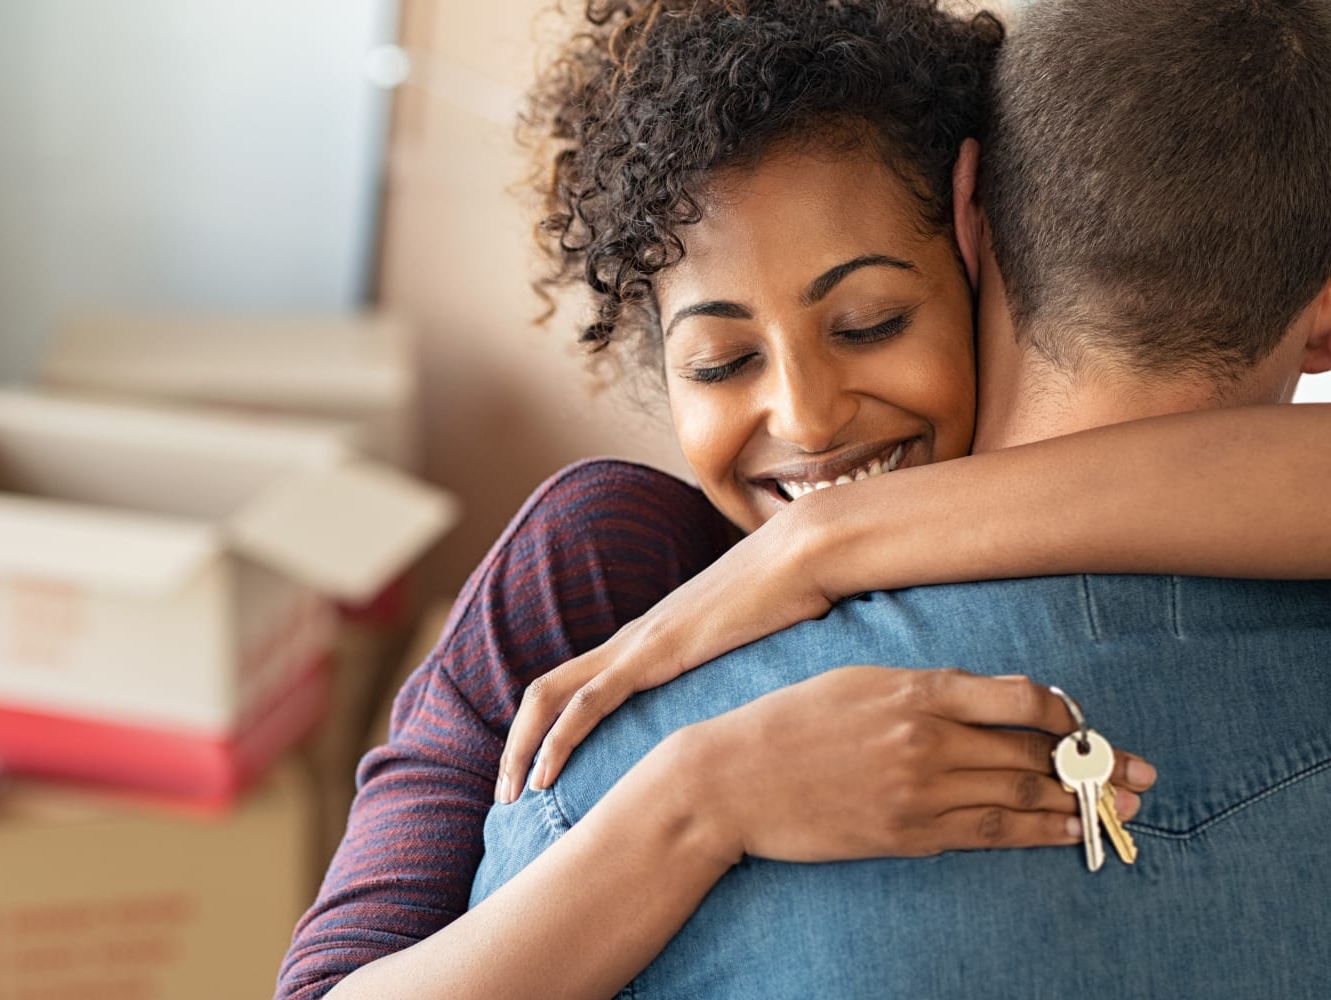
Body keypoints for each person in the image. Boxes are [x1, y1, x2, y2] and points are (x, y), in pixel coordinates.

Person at [277, 0, 1331, 997]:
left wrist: (828, 540)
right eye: (720, 358)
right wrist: (701, 799)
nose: (811, 417)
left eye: (869, 321)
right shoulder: (602, 563)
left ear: (975, 245)